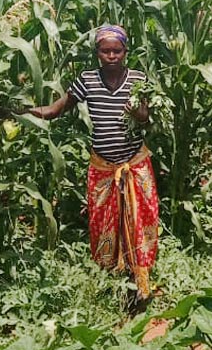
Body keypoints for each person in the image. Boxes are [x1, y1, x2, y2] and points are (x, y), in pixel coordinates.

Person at [19, 24, 159, 313]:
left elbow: (146, 118)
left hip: (134, 164)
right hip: (103, 168)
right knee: (104, 225)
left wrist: (138, 113)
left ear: (125, 51)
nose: (111, 55)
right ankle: (111, 283)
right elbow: (55, 110)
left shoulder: (137, 79)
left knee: (137, 224)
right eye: (105, 51)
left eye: (116, 50)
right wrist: (20, 108)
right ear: (97, 53)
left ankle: (139, 288)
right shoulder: (87, 80)